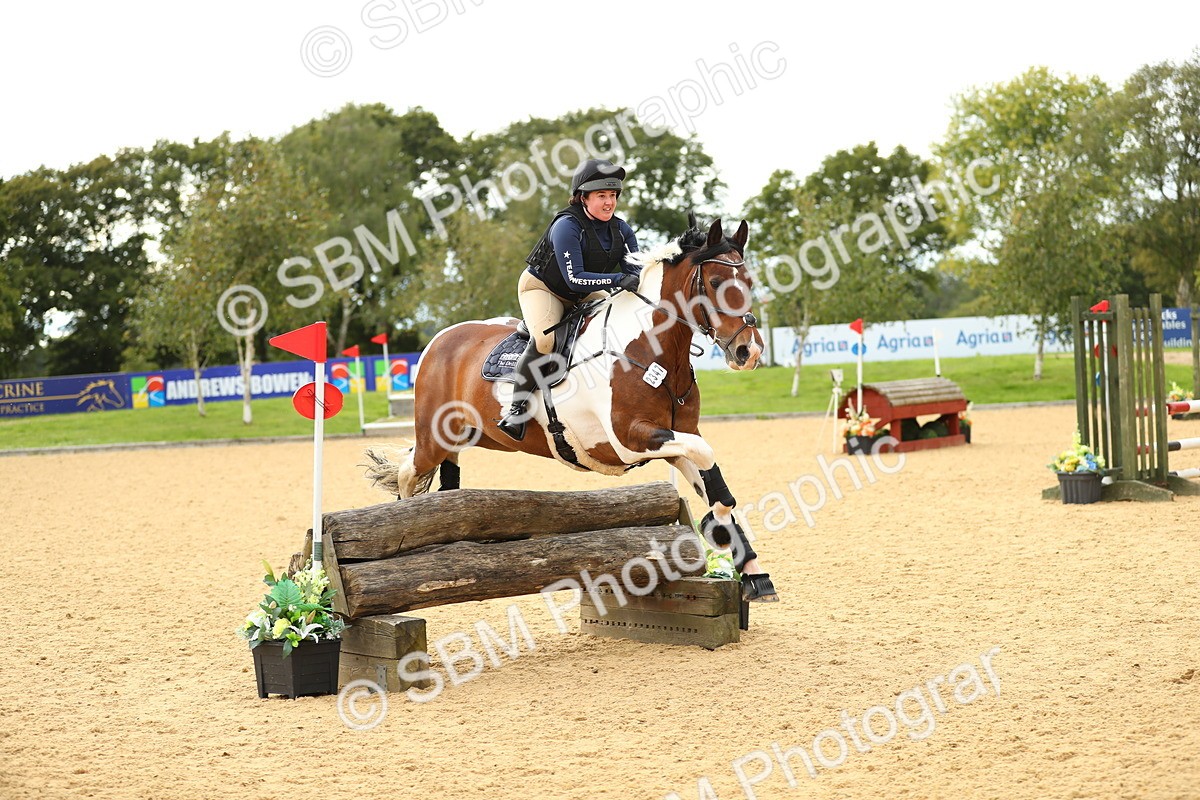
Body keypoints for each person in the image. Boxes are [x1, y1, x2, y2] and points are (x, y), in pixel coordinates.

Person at [497, 158, 642, 441]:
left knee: (616, 320)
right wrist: (615, 281)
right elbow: (574, 278)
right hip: (545, 289)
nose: (609, 202)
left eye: (613, 195)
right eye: (601, 196)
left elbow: (634, 272)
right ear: (583, 197)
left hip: (583, 290)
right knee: (546, 341)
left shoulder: (622, 230)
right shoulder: (567, 226)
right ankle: (517, 408)